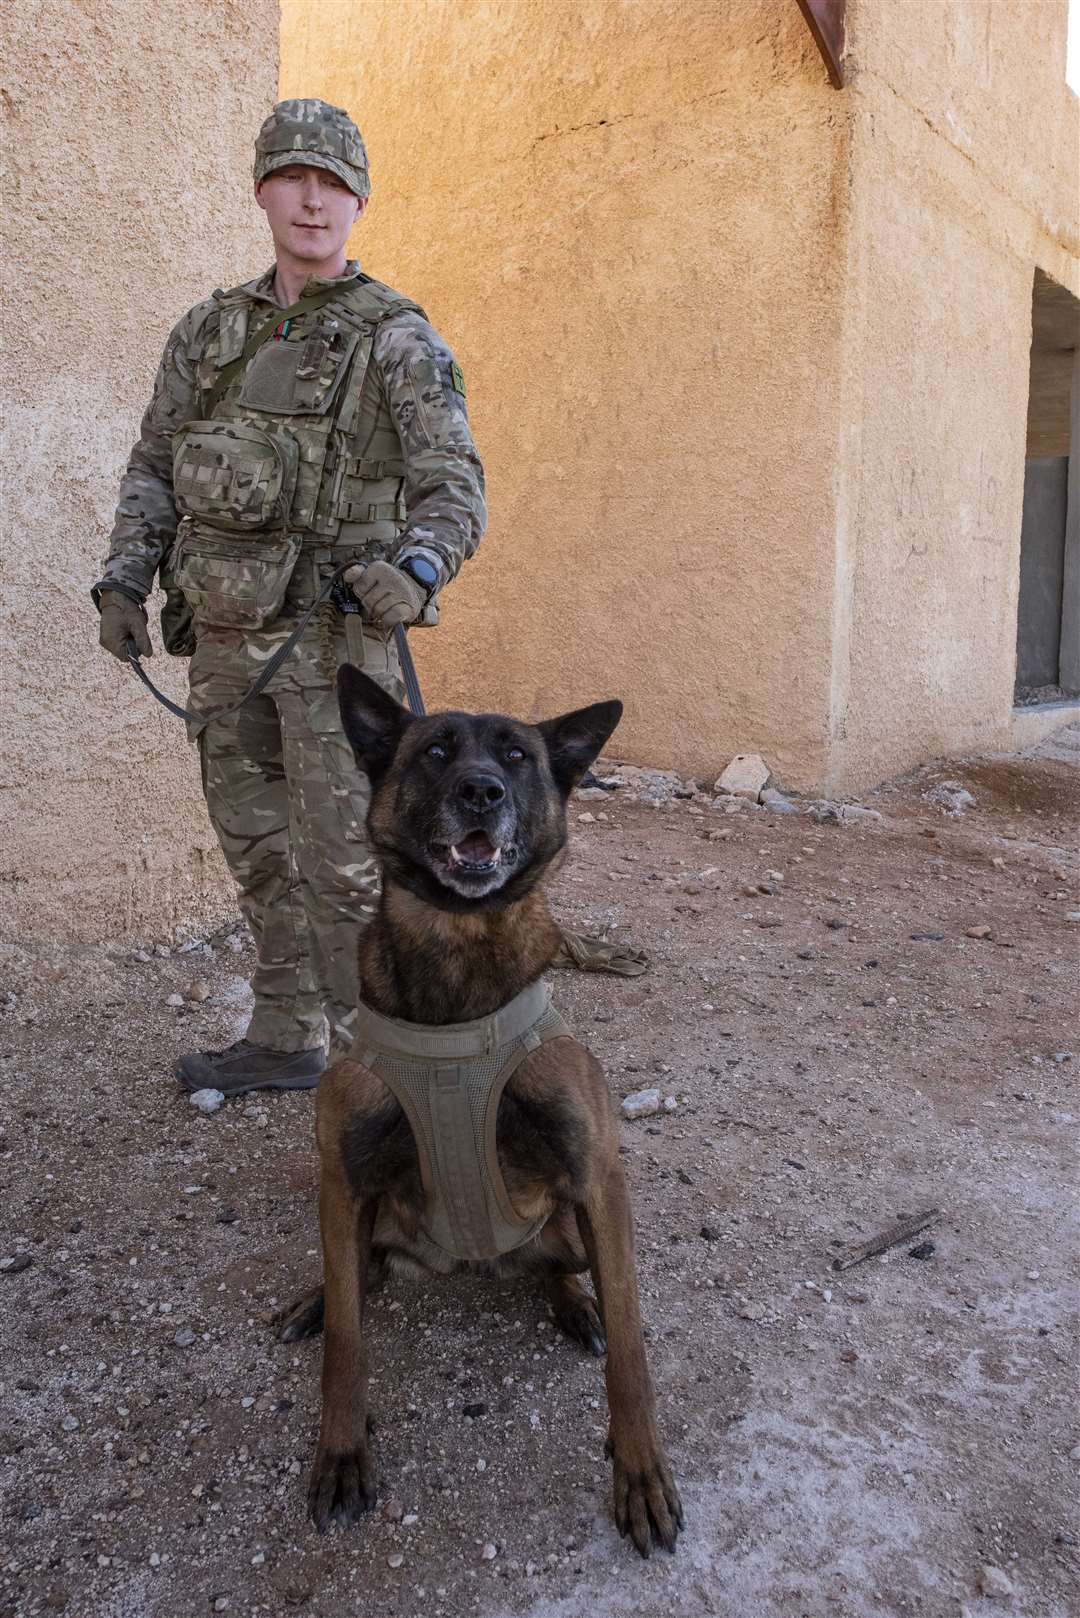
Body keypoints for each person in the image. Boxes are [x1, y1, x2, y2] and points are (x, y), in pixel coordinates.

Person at [93, 98, 487, 1094]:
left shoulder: (395, 338)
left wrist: (420, 568)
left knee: (348, 870)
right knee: (259, 851)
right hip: (225, 643)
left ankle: (383, 1082)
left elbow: (456, 488)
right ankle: (283, 1035)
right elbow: (153, 465)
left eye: (335, 183)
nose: (313, 199)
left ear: (358, 200)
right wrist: (125, 577)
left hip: (334, 652)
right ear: (263, 188)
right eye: (294, 177)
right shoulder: (211, 331)